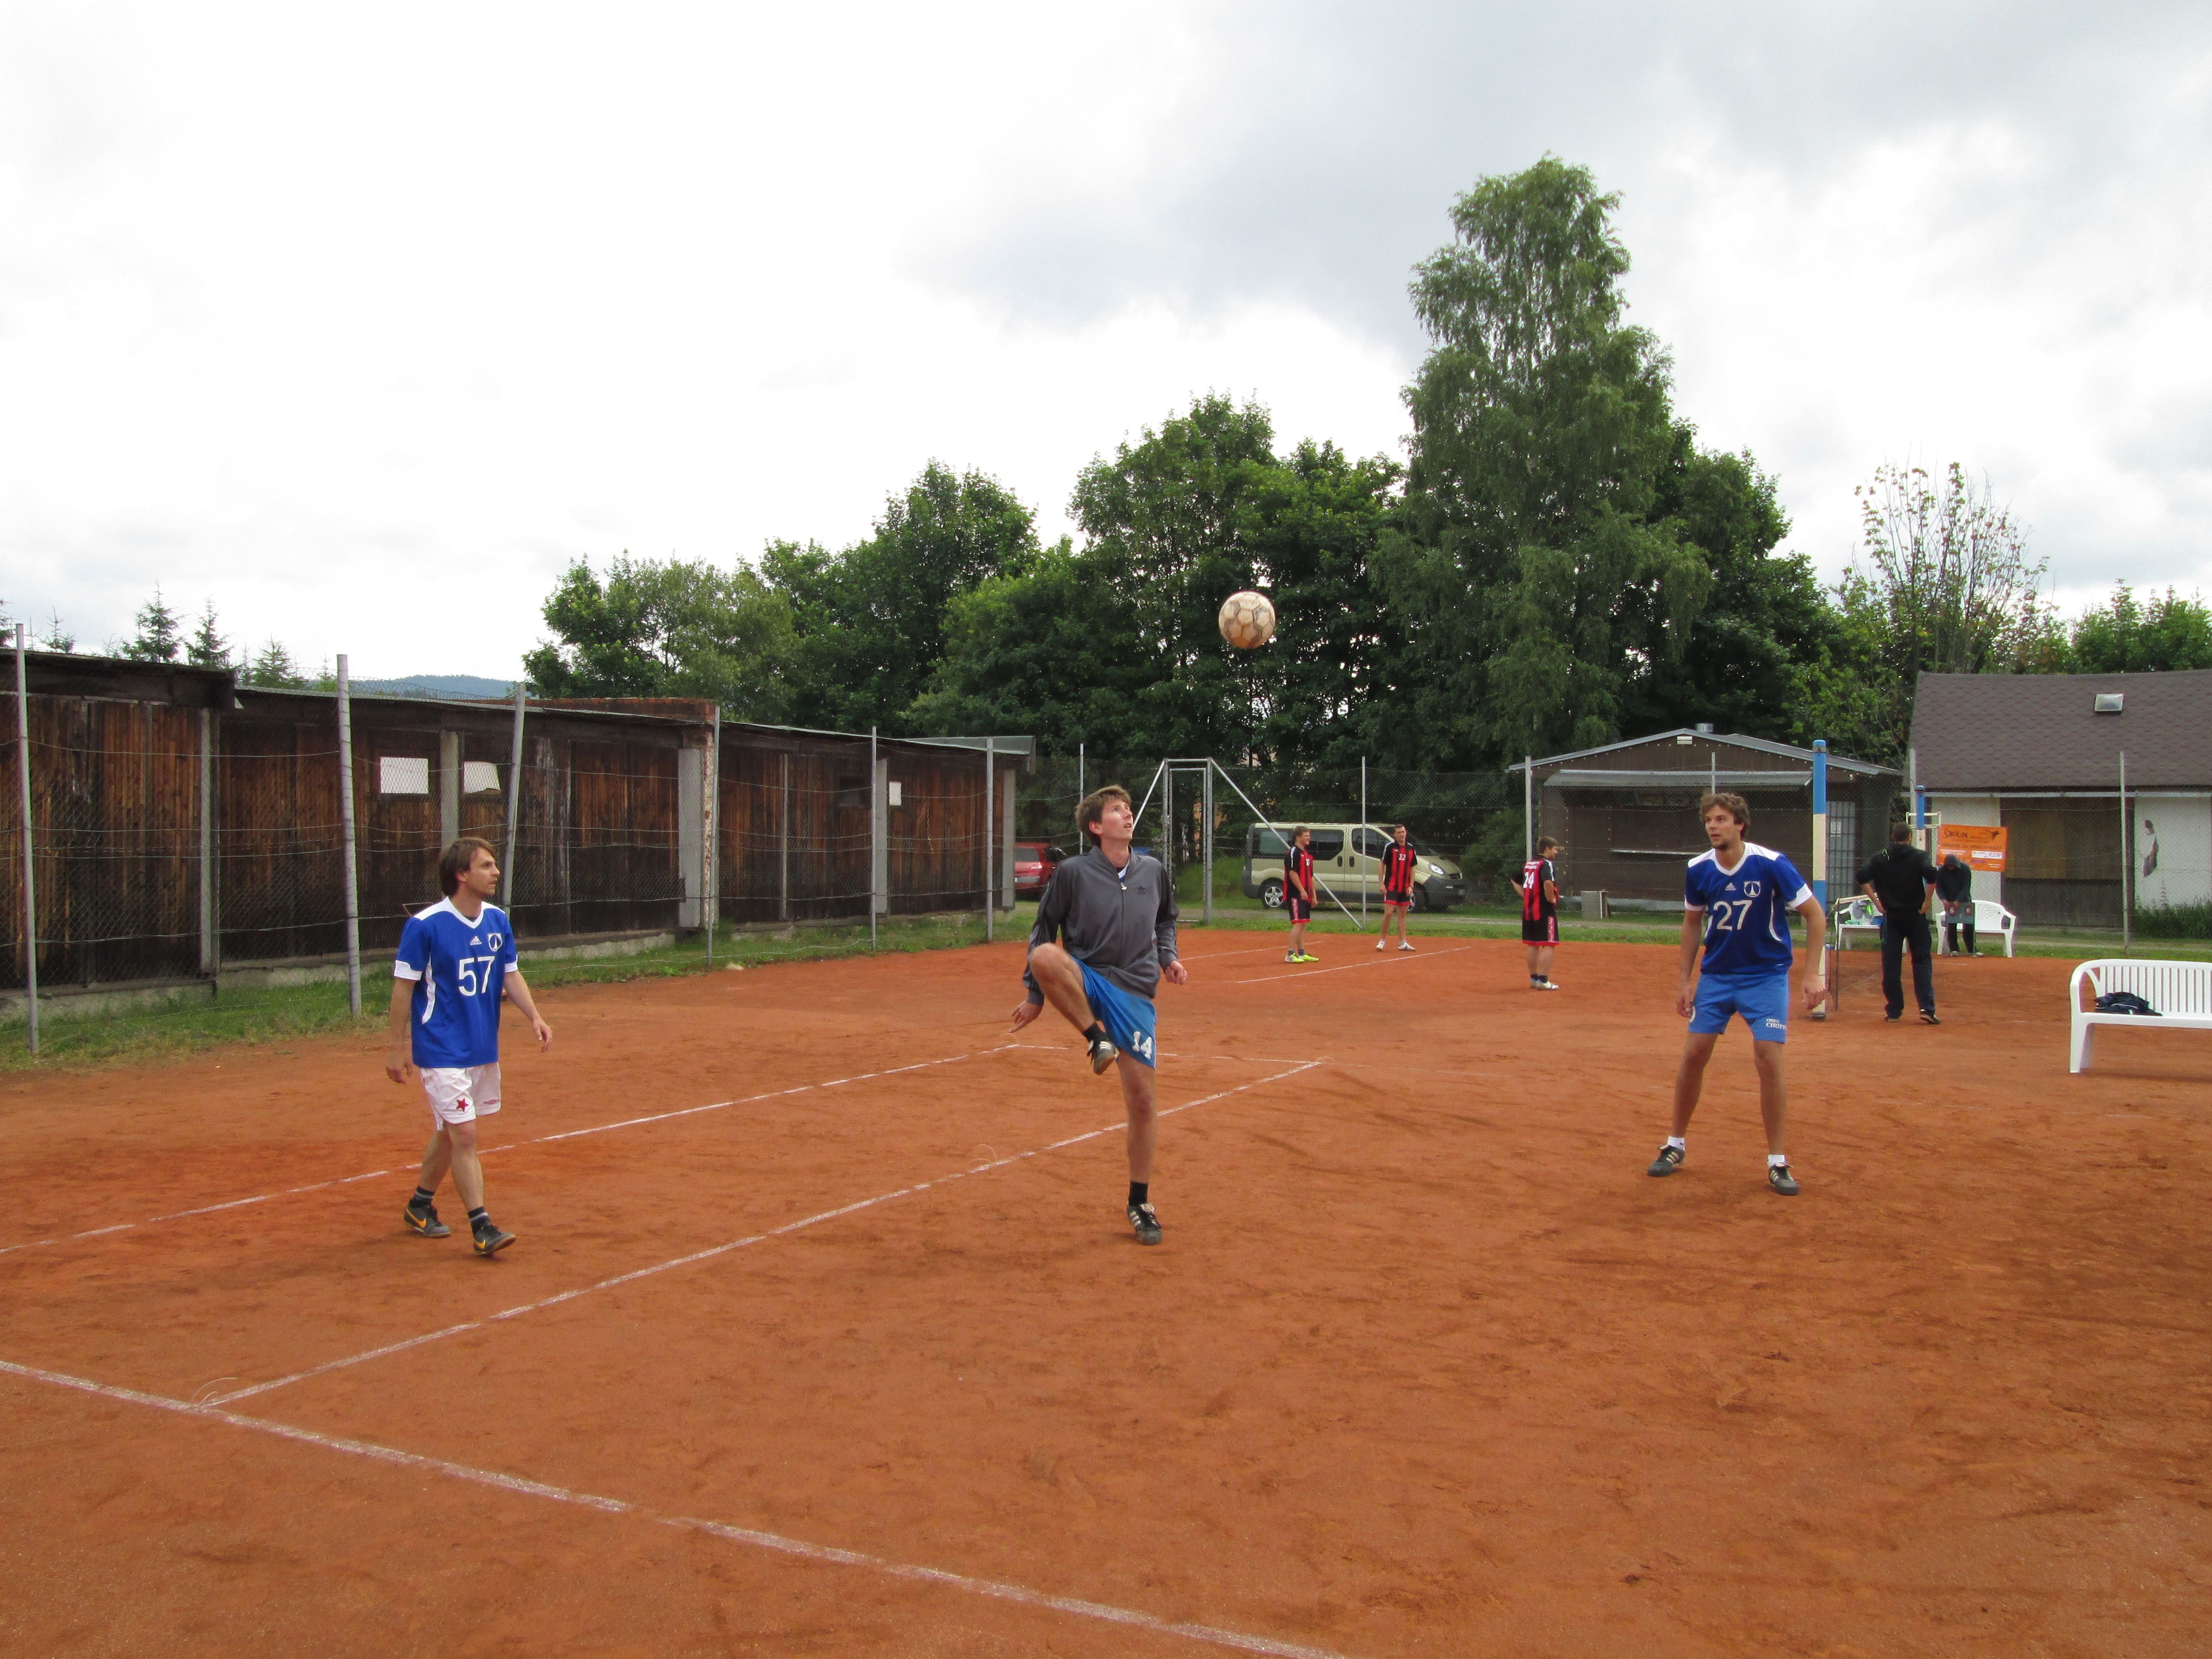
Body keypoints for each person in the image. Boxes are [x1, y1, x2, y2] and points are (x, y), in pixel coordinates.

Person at [1012, 785, 1189, 1246]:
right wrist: (1035, 996)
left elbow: (1166, 919)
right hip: (1090, 976)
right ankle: (1096, 1038)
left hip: (1134, 991)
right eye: (1116, 810)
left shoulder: (1153, 870)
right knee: (1045, 959)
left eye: (1128, 809)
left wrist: (1168, 956)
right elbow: (1043, 928)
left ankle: (1140, 1201)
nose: (1127, 814)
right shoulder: (1073, 872)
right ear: (1096, 826)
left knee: (1143, 1103)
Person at [1647, 793, 1826, 1196]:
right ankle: (1675, 1145)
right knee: (1694, 1055)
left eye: (1722, 819)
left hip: (1765, 977)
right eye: (1709, 820)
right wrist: (1684, 980)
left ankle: (1777, 1161)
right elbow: (1693, 924)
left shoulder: (1771, 864)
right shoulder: (1698, 870)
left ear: (1740, 825)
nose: (1713, 826)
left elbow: (1815, 915)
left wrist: (1811, 973)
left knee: (1768, 1058)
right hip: (1718, 976)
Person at [388, 836, 553, 1257]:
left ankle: (420, 1206)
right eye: (486, 866)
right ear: (462, 875)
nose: (496, 872)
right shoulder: (425, 925)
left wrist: (534, 1016)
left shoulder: (497, 921)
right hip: (440, 1047)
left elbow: (510, 975)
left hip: (480, 1046)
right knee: (464, 1133)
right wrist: (396, 1047)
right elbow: (404, 989)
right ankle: (482, 1227)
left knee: (449, 1131)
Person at [1858, 824, 1939, 1023]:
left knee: (1891, 963)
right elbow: (1931, 875)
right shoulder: (1919, 856)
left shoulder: (1880, 857)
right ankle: (1926, 1009)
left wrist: (1877, 902)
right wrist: (1927, 901)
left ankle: (1894, 1009)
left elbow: (1862, 877)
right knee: (1921, 960)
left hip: (1891, 915)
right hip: (1915, 914)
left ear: (1892, 837)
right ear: (1910, 837)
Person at [1520, 836, 1562, 989]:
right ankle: (1544, 981)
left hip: (1528, 910)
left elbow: (1521, 883)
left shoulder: (1529, 864)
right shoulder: (1547, 864)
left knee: (1532, 944)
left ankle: (1534, 979)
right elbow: (1548, 883)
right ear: (1547, 849)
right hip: (1544, 910)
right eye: (1555, 849)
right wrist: (1551, 900)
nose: (1557, 852)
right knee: (1549, 944)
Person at [1375, 824, 1419, 951]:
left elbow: (1413, 868)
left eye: (1403, 832)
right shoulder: (1390, 847)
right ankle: (1382, 941)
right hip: (1391, 886)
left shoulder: (1411, 849)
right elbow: (1382, 865)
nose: (1402, 834)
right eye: (1399, 833)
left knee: (1402, 914)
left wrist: (1411, 885)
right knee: (1389, 913)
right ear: (1395, 835)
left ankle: (1403, 943)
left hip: (1405, 887)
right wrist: (1381, 884)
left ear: (1406, 833)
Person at [1283, 826, 1318, 963]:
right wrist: (1302, 891)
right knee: (1298, 923)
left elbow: (1311, 877)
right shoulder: (1293, 853)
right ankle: (1290, 954)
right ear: (1298, 837)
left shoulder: (1308, 856)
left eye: (1309, 835)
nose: (1309, 838)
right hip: (1295, 894)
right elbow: (1292, 873)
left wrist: (1313, 895)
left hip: (1305, 895)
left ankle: (1302, 953)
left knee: (1302, 923)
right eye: (1306, 835)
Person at [1936, 852, 1975, 956]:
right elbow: (1939, 887)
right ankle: (1954, 949)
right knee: (1951, 924)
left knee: (1968, 924)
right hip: (1949, 901)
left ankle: (1972, 949)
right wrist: (1943, 899)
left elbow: (1966, 887)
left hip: (1965, 900)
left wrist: (1959, 901)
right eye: (1948, 866)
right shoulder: (1941, 871)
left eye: (1952, 866)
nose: (1950, 868)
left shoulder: (1965, 869)